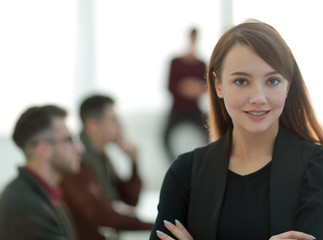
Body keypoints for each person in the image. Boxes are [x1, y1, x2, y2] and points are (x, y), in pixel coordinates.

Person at [150, 19, 323, 240]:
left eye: (272, 81)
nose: (258, 98)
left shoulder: (319, 170)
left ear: (288, 84)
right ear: (218, 85)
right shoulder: (184, 174)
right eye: (242, 81)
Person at [62, 94, 153, 240]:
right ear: (92, 126)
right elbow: (101, 215)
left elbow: (130, 199)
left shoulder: (102, 156)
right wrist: (156, 225)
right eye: (113, 120)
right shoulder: (79, 161)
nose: (120, 126)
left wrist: (134, 162)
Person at [0, 105, 82, 240]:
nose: (79, 148)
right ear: (43, 149)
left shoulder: (45, 194)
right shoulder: (24, 206)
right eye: (70, 140)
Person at [163, 27, 209, 161]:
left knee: (211, 134)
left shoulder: (201, 64)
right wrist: (185, 88)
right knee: (165, 138)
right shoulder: (175, 62)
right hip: (177, 109)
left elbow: (205, 87)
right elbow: (170, 87)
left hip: (194, 109)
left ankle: (203, 163)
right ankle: (175, 164)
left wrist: (195, 89)